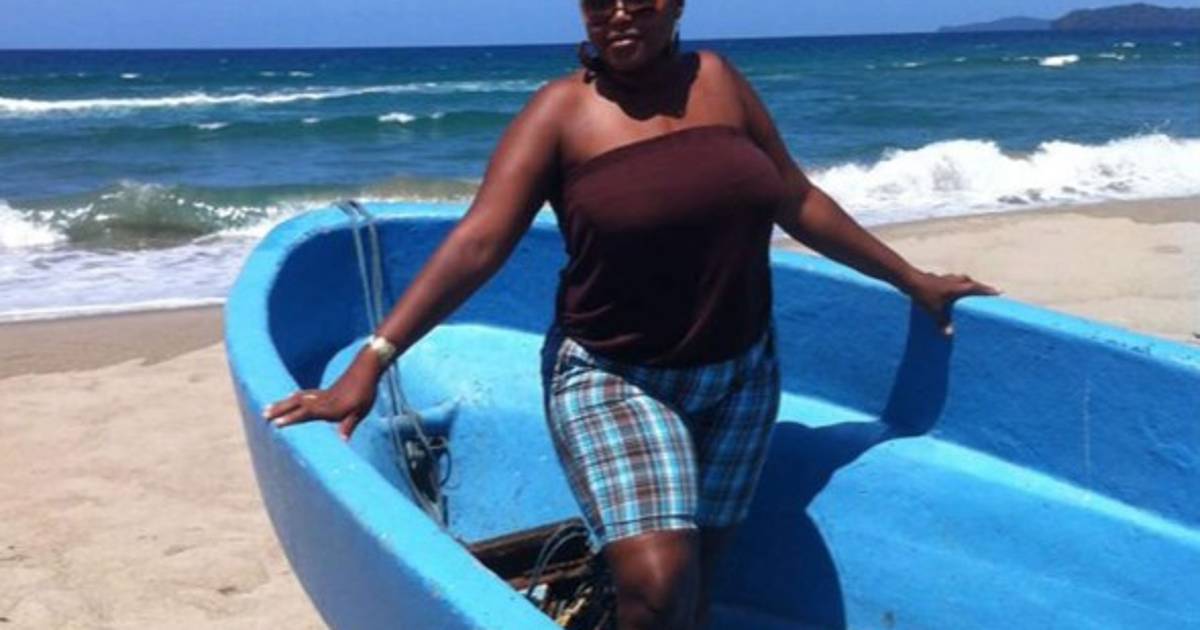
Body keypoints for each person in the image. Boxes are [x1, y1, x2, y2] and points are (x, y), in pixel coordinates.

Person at [263, 1, 999, 628]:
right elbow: (479, 241)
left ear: (676, 3)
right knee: (657, 582)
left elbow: (796, 199)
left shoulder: (720, 81)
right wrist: (374, 360)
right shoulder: (560, 113)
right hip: (613, 375)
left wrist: (911, 280)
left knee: (697, 581)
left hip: (741, 377)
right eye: (598, 0)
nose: (618, 13)